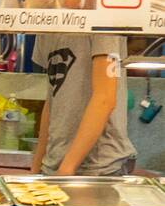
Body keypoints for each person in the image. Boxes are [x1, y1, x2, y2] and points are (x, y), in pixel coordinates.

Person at [30, 34, 135, 177]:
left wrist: (67, 169)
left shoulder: (104, 23)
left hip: (99, 169)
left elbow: (105, 99)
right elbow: (53, 100)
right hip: (53, 167)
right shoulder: (47, 26)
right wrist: (36, 169)